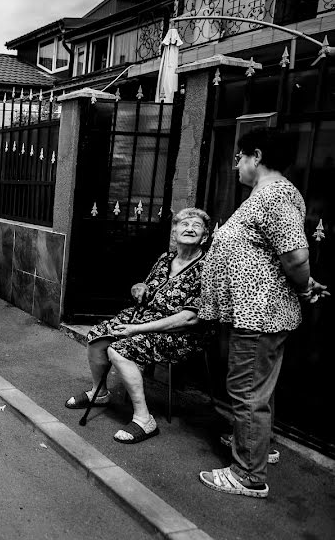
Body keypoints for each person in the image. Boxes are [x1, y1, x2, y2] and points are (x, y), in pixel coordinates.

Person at [198, 128, 328, 499]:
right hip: (256, 313)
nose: (236, 165)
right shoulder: (270, 195)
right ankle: (254, 443)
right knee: (255, 389)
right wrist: (305, 282)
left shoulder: (273, 195)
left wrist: (304, 284)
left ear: (256, 156)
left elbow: (296, 255)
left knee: (246, 390)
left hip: (259, 314)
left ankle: (248, 473)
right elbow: (278, 255)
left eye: (239, 157)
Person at [65, 207, 211, 444]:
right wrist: (139, 288)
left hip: (181, 332)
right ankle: (99, 392)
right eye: (184, 224)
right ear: (174, 232)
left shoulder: (207, 267)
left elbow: (190, 318)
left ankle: (144, 419)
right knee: (97, 336)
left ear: (204, 236)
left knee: (119, 349)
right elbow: (147, 286)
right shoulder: (165, 259)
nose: (190, 228)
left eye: (196, 225)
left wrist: (136, 329)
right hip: (145, 317)